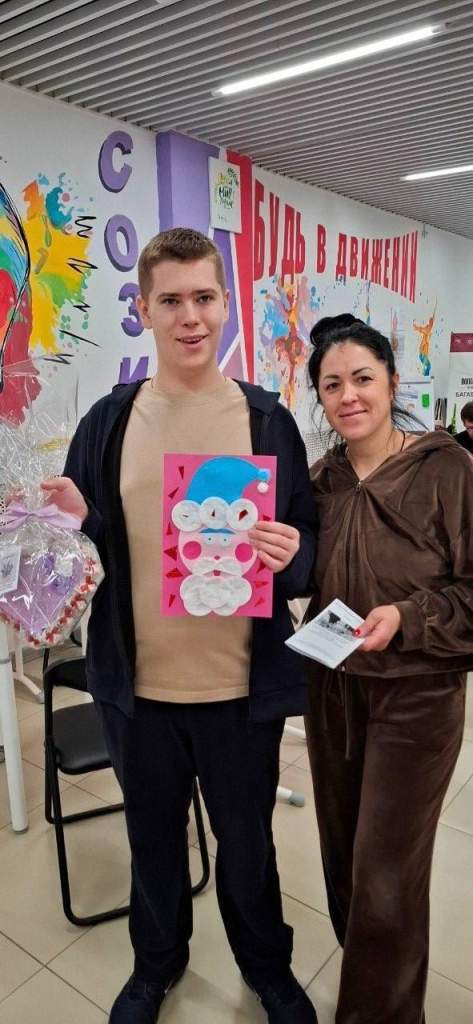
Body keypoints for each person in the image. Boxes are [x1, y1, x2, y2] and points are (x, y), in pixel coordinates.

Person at [40, 228, 318, 1024]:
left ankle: (267, 970)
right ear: (144, 308)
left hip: (238, 690)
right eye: (171, 301)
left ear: (226, 305)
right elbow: (92, 544)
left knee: (248, 848)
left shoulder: (265, 421)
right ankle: (155, 965)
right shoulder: (110, 420)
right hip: (138, 691)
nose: (189, 317)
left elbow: (306, 540)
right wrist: (72, 521)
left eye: (203, 298)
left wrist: (292, 553)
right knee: (153, 841)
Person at [303, 313, 473, 1024]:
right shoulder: (322, 480)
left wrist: (408, 615)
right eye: (331, 385)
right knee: (346, 865)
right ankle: (385, 997)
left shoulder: (447, 470)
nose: (349, 396)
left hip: (416, 698)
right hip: (334, 693)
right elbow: (301, 573)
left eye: (362, 378)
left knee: (385, 877)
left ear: (392, 382)